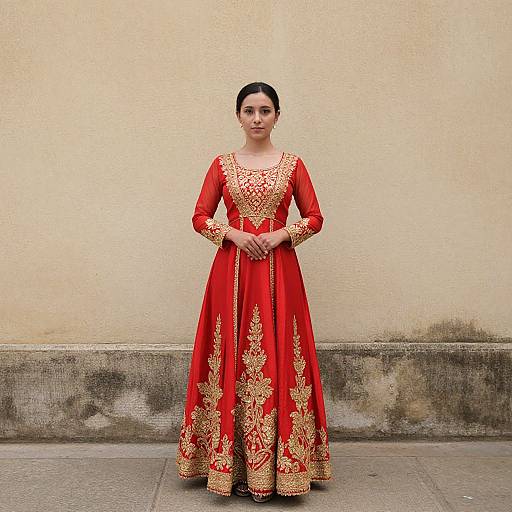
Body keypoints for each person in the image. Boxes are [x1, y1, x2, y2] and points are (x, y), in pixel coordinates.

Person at [175, 82, 332, 502]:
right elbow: (199, 216)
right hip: (233, 273)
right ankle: (232, 464)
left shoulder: (293, 164)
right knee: (231, 355)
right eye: (249, 110)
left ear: (277, 115)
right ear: (238, 116)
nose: (257, 118)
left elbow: (315, 217)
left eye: (265, 110)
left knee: (281, 356)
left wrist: (281, 234)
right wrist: (233, 234)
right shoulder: (221, 165)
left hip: (281, 273)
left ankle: (286, 465)